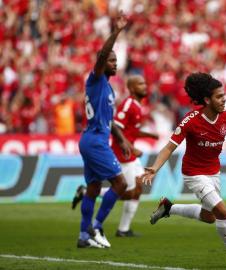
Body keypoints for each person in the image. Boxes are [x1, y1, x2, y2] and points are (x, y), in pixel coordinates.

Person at [140, 72, 226, 268]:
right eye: (219, 96)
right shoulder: (191, 120)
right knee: (222, 211)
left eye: (224, 95)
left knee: (210, 217)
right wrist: (154, 167)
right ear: (207, 99)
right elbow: (170, 146)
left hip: (214, 172)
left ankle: (169, 208)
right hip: (194, 173)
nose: (224, 100)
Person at [72, 75, 159, 238]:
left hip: (131, 155)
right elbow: (117, 127)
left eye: (145, 82)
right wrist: (132, 148)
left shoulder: (138, 105)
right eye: (140, 83)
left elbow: (130, 130)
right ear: (132, 89)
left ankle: (123, 230)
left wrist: (149, 135)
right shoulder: (128, 105)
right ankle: (87, 193)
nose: (145, 86)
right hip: (123, 153)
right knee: (126, 191)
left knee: (139, 188)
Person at [77, 11, 133, 248]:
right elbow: (101, 57)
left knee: (93, 188)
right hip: (95, 141)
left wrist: (120, 139)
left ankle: (83, 236)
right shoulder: (96, 79)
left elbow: (109, 121)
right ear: (102, 61)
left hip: (92, 139)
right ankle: (96, 227)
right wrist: (117, 31)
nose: (115, 63)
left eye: (116, 60)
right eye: (111, 60)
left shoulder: (108, 89)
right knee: (120, 184)